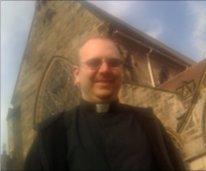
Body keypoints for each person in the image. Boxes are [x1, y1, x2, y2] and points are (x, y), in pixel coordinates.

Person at [24, 36, 186, 171]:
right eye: (94, 63)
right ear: (76, 75)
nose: (105, 70)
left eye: (114, 63)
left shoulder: (148, 124)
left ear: (122, 72)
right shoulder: (52, 134)